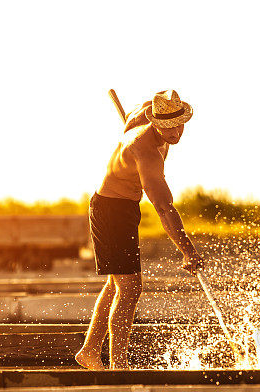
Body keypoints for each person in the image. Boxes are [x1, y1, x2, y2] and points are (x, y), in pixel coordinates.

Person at [75, 89, 204, 371]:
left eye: (179, 123)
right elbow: (164, 208)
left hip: (125, 208)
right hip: (111, 210)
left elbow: (141, 108)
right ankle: (119, 366)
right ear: (155, 122)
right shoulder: (145, 153)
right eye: (168, 126)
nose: (175, 132)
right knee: (130, 287)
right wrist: (188, 251)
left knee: (118, 284)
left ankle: (89, 351)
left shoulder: (143, 114)